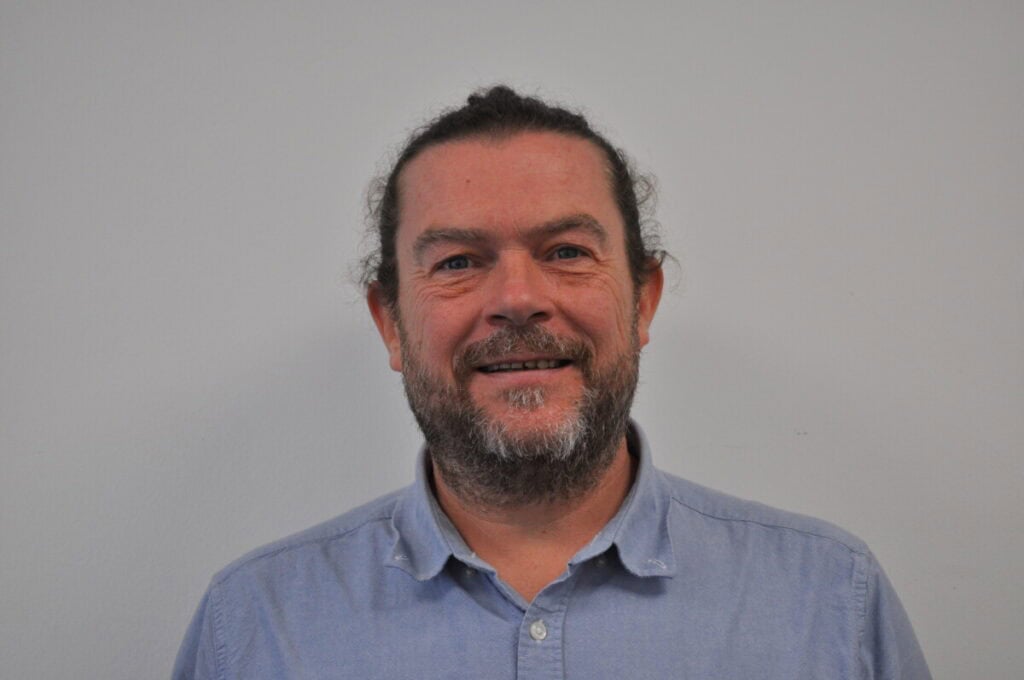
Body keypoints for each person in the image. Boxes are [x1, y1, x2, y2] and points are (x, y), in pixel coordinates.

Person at [173, 86, 931, 679]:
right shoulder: (255, 625)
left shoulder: (829, 600)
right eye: (458, 262)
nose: (517, 298)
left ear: (643, 301)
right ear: (391, 323)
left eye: (566, 251)